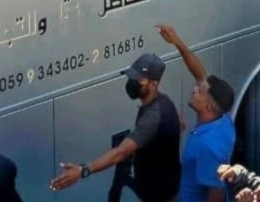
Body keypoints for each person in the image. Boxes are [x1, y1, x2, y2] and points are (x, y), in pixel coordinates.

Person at [50, 53, 182, 202]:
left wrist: (83, 170)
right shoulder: (163, 102)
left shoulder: (153, 116)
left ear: (153, 84)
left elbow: (121, 152)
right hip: (158, 189)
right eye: (131, 77)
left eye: (138, 80)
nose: (132, 82)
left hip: (159, 196)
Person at [157, 24, 237, 202]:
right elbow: (199, 73)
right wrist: (177, 42)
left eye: (200, 91)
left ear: (207, 107)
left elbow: (216, 195)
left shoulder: (208, 146)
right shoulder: (223, 121)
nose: (195, 89)